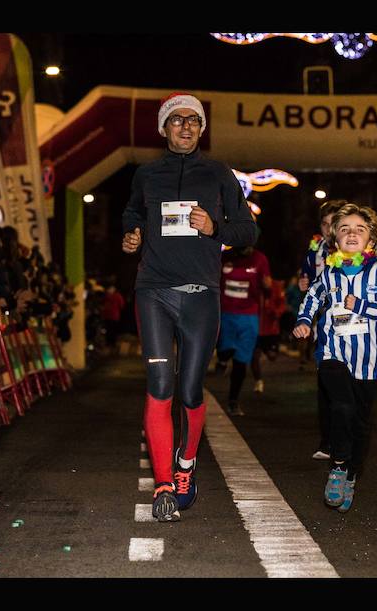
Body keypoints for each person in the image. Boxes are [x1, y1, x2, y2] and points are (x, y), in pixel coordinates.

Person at [122, 92, 257, 522]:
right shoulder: (147, 174)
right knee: (160, 384)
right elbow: (132, 214)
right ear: (164, 129)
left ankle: (186, 463)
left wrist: (215, 226)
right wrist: (132, 235)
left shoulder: (218, 173)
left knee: (190, 390)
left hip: (201, 294)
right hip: (154, 290)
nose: (186, 126)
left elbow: (248, 231)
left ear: (201, 128)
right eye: (177, 120)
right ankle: (164, 484)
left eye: (193, 120)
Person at [293, 203, 377, 513]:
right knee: (341, 405)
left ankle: (352, 475)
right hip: (333, 352)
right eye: (345, 229)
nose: (352, 234)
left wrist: (363, 306)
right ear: (335, 239)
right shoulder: (329, 272)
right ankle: (339, 466)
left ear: (371, 239)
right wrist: (304, 321)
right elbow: (312, 298)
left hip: (368, 361)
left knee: (360, 423)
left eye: (360, 229)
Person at [300, 199, 347, 459]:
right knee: (326, 384)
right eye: (325, 224)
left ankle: (348, 436)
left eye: (334, 224)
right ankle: (327, 441)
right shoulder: (315, 251)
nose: (329, 230)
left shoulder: (356, 249)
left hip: (353, 327)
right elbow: (306, 276)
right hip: (324, 327)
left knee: (351, 386)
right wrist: (303, 282)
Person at [213, 245, 271, 415]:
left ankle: (233, 401)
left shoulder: (260, 259)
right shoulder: (224, 256)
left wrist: (267, 285)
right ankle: (222, 359)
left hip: (249, 316)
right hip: (226, 314)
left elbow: (268, 287)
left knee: (241, 361)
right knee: (225, 350)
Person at [251, 277, 286, 393]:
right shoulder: (254, 285)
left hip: (271, 330)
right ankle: (258, 381)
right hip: (255, 329)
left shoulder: (277, 286)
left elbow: (282, 304)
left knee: (272, 356)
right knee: (254, 357)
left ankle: (267, 351)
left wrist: (276, 312)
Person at [101, 278, 126, 345]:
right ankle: (112, 342)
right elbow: (121, 305)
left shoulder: (107, 296)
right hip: (113, 316)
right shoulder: (117, 296)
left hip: (108, 316)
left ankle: (109, 342)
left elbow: (103, 304)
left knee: (109, 329)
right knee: (112, 330)